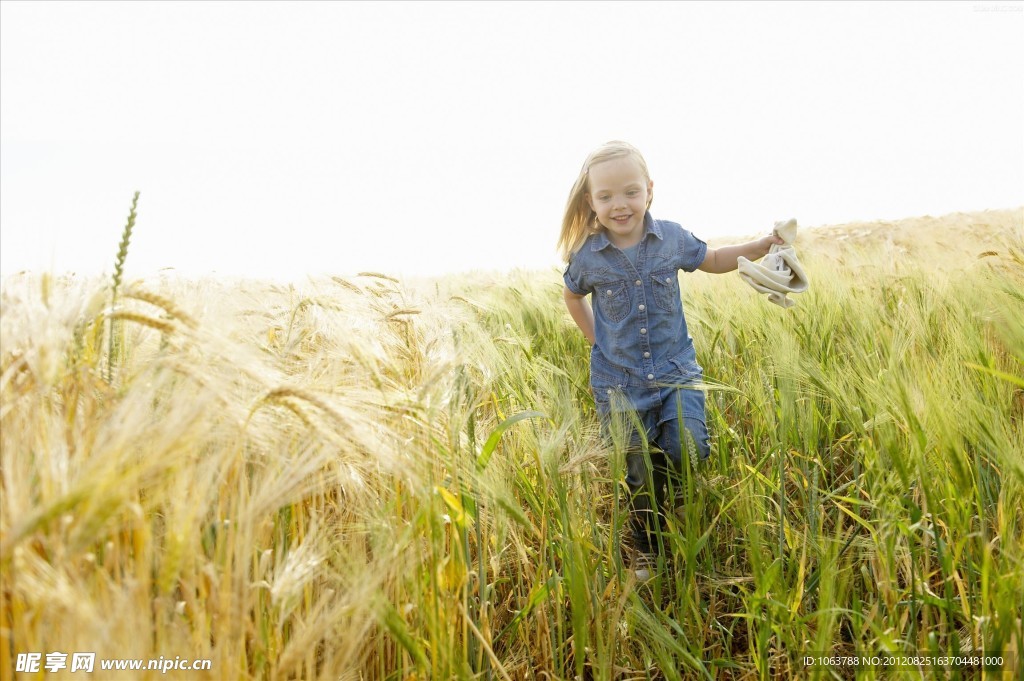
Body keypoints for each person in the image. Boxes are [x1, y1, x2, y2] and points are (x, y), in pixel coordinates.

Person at [559, 141, 784, 581]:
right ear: (591, 202)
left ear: (649, 191)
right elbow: (572, 296)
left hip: (676, 371)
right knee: (637, 468)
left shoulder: (672, 239)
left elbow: (714, 258)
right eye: (605, 197)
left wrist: (759, 246)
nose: (619, 205)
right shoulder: (587, 258)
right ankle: (647, 546)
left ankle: (679, 496)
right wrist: (596, 341)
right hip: (619, 382)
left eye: (629, 192)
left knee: (687, 445)